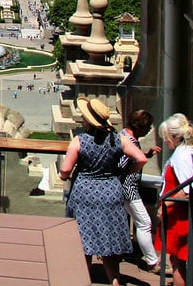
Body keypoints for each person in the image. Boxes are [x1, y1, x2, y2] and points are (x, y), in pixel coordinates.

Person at [59, 97, 147, 286]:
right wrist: (122, 171)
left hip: (84, 193)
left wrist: (63, 176)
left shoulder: (79, 141)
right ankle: (115, 281)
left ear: (88, 120)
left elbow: (65, 170)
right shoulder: (118, 139)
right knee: (109, 243)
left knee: (83, 242)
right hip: (111, 190)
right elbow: (141, 159)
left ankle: (81, 280)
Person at [155, 113, 193, 286]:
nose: (164, 141)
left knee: (178, 262)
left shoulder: (183, 156)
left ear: (176, 137)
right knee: (179, 260)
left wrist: (165, 204)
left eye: (166, 137)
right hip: (183, 214)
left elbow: (187, 190)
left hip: (180, 216)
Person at [119, 109, 162, 273]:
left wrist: (147, 155)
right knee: (144, 223)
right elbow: (123, 164)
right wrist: (132, 169)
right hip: (129, 189)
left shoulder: (124, 135)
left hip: (124, 189)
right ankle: (152, 262)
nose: (150, 130)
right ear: (140, 127)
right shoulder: (130, 141)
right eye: (148, 126)